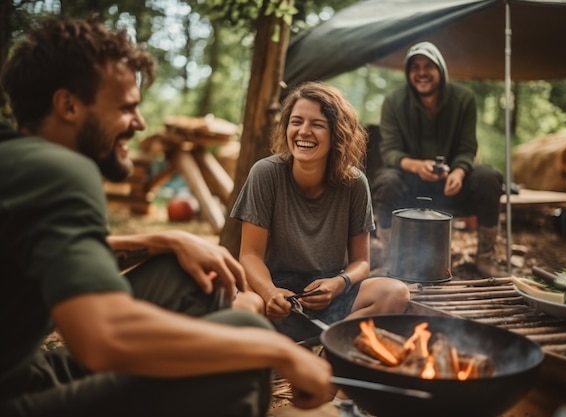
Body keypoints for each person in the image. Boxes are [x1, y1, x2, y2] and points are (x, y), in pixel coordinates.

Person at [0, 16, 333, 417]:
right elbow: (102, 337)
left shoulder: (15, 160)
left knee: (190, 271)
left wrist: (162, 239)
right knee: (243, 341)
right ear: (68, 105)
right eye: (126, 108)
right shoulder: (59, 171)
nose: (141, 124)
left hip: (23, 372)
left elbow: (43, 246)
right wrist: (278, 350)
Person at [230, 81, 411, 340]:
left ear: (337, 133)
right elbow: (249, 255)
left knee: (395, 292)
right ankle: (279, 349)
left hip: (330, 295)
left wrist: (338, 284)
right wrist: (270, 292)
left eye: (317, 124)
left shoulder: (355, 183)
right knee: (242, 308)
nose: (304, 131)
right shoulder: (266, 173)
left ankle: (331, 346)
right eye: (296, 121)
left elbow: (362, 263)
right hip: (275, 294)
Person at [371, 41, 507, 278]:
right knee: (386, 179)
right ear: (408, 73)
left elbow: (467, 148)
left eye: (428, 66)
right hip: (410, 186)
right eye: (415, 67)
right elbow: (390, 151)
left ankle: (485, 257)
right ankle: (389, 257)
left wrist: (459, 172)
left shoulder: (464, 99)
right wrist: (416, 165)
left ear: (440, 70)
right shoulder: (394, 101)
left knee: (489, 176)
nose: (421, 72)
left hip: (451, 186)